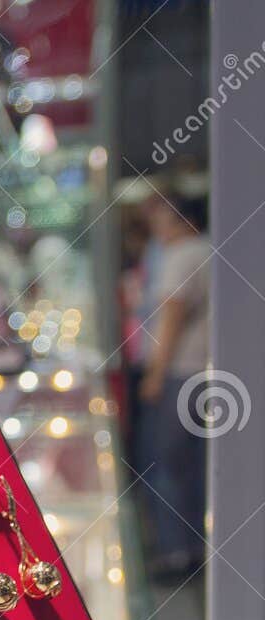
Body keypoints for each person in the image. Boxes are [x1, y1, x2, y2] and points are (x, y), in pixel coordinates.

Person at [136, 192, 210, 579]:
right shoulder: (211, 249)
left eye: (163, 219)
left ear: (182, 220)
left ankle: (176, 553)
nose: (156, 228)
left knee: (164, 463)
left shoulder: (180, 256)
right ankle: (197, 546)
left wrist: (154, 374)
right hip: (207, 373)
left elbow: (172, 317)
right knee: (196, 465)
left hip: (179, 373)